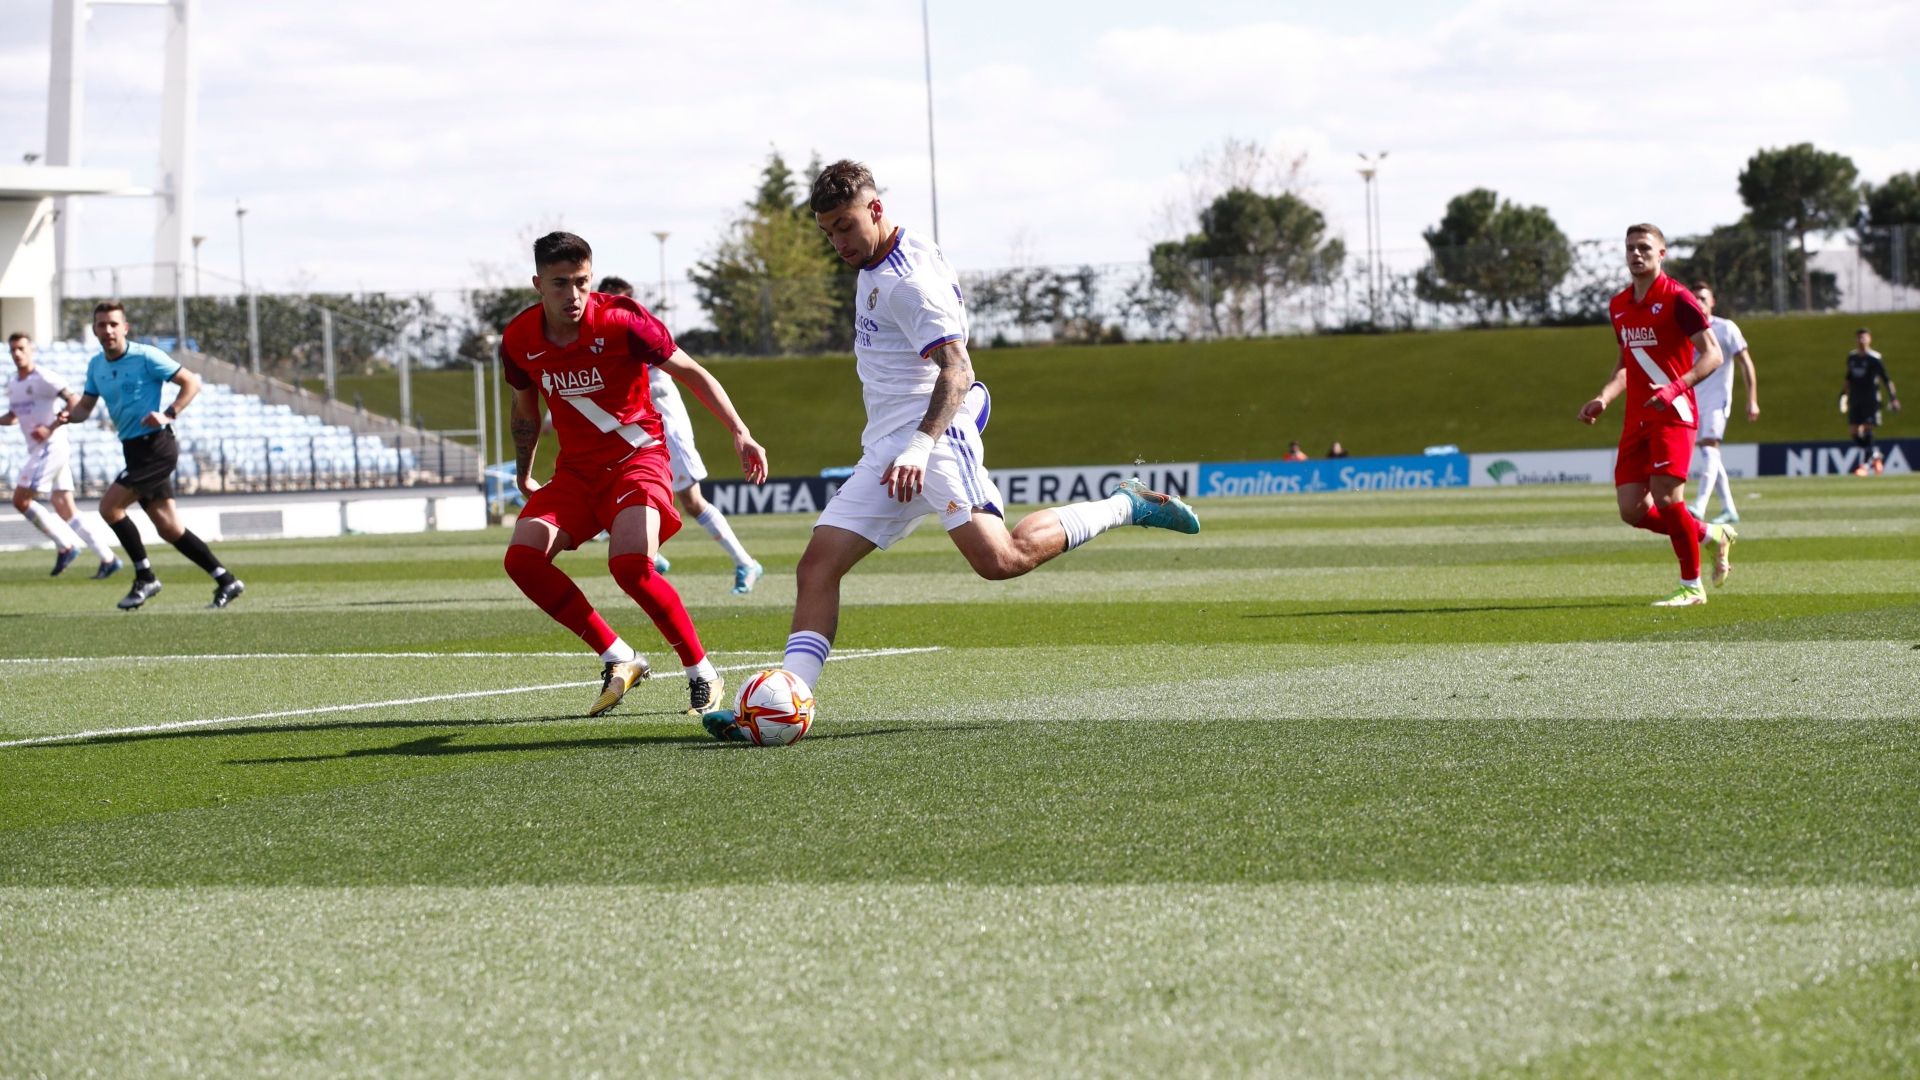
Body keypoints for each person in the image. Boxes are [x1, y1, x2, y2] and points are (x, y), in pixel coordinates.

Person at [705, 160, 1199, 737]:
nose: (838, 241)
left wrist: (920, 445)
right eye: (828, 231)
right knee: (818, 565)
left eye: (845, 225)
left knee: (1000, 561)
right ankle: (781, 705)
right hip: (890, 444)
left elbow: (958, 371)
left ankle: (1127, 504)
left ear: (876, 208)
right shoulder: (878, 258)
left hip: (933, 437)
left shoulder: (909, 281)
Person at [501, 232, 767, 718]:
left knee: (628, 565)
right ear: (538, 284)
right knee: (521, 559)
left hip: (637, 462)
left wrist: (740, 432)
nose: (573, 294)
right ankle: (619, 656)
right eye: (560, 284)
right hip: (576, 474)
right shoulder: (519, 339)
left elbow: (692, 371)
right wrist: (525, 471)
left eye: (582, 282)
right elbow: (524, 409)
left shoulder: (624, 321)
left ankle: (702, 672)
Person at [1578, 224, 1735, 606]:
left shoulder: (1679, 299)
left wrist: (1675, 388)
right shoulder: (1619, 305)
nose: (1636, 254)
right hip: (1637, 418)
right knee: (1631, 510)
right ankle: (1712, 535)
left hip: (1674, 412)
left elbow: (1712, 353)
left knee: (1667, 497)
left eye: (1644, 247)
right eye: (1630, 248)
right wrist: (1603, 398)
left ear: (1661, 253)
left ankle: (1691, 586)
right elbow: (1626, 365)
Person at [59, 303, 243, 609]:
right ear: (95, 330)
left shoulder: (145, 356)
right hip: (133, 450)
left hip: (156, 448)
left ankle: (145, 577)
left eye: (113, 324)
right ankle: (226, 580)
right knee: (170, 528)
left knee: (109, 508)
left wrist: (169, 413)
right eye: (101, 325)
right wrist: (67, 415)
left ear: (125, 328)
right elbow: (85, 408)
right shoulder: (96, 366)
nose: (107, 330)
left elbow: (192, 382)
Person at [595, 275, 763, 593]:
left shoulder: (643, 335)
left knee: (692, 501)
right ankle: (652, 555)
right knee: (625, 493)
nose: (611, 308)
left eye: (618, 300)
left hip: (671, 432)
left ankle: (745, 562)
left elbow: (667, 378)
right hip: (640, 436)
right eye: (606, 300)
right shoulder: (605, 343)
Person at [4, 332, 121, 577]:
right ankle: (108, 558)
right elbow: (14, 417)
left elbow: (74, 401)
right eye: (13, 349)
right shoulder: (14, 384)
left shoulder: (45, 377)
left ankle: (65, 545)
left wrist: (51, 426)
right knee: (65, 508)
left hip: (52, 446)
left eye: (21, 348)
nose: (17, 353)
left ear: (31, 350)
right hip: (40, 449)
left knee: (20, 499)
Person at [1687, 284, 1759, 523]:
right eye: (1694, 298)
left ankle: (1699, 505)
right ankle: (1729, 507)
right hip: (1693, 399)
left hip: (1717, 399)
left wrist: (1752, 400)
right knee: (1710, 454)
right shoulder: (1687, 330)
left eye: (1703, 298)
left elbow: (1745, 363)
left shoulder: (1726, 328)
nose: (1698, 302)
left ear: (1712, 302)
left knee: (1709, 448)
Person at [1843, 327, 1899, 476]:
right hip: (1855, 399)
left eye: (1864, 337)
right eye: (1858, 338)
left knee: (1867, 429)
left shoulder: (1875, 358)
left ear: (1869, 339)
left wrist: (1893, 398)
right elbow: (1849, 378)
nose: (1861, 340)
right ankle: (1875, 455)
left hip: (1871, 400)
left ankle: (1865, 466)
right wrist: (1843, 394)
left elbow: (1886, 380)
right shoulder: (1852, 357)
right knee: (1854, 432)